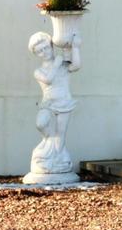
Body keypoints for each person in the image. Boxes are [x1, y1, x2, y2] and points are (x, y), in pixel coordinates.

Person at [24, 31, 81, 179]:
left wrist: (75, 47)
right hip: (48, 104)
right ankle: (47, 145)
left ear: (51, 46)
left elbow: (76, 66)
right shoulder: (39, 71)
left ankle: (57, 161)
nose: (44, 53)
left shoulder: (63, 65)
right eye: (39, 51)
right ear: (36, 54)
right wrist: (56, 63)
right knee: (41, 123)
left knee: (60, 135)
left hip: (64, 102)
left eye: (46, 48)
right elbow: (48, 79)